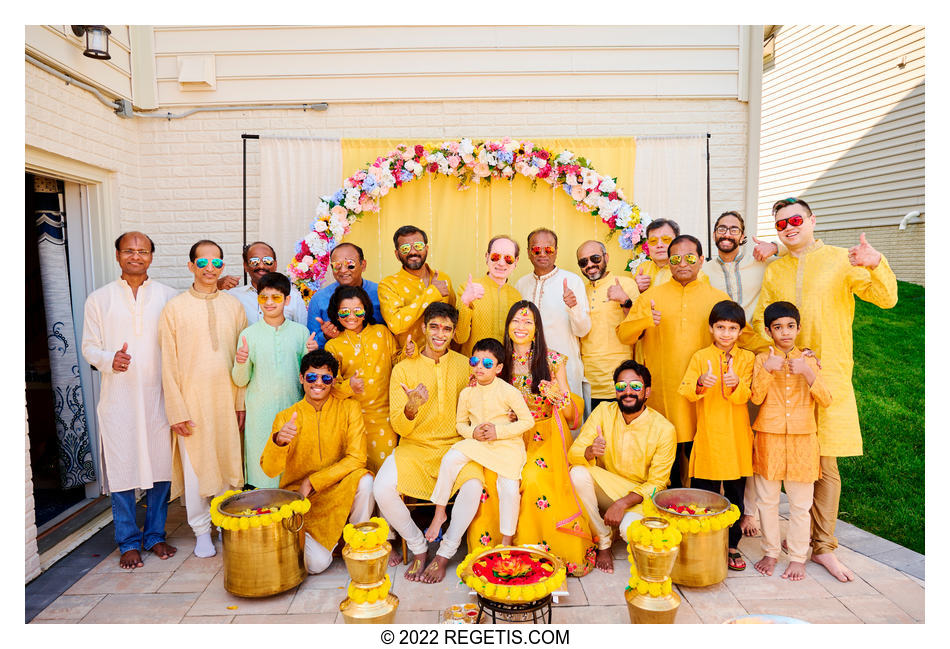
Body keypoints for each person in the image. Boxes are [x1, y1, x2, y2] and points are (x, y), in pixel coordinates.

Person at [752, 197, 897, 582]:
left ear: (813, 220)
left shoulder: (839, 259)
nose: (789, 227)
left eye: (796, 219)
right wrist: (767, 360)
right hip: (785, 383)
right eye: (781, 224)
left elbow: (886, 299)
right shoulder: (776, 268)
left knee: (826, 464)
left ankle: (824, 547)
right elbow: (758, 322)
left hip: (826, 376)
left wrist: (876, 263)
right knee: (785, 464)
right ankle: (789, 542)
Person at [466, 302, 597, 577]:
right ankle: (496, 551)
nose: (521, 327)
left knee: (533, 479)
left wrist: (558, 397)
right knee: (490, 479)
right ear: (508, 326)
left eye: (527, 322)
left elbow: (572, 412)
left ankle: (533, 552)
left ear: (536, 329)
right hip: (507, 436)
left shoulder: (552, 360)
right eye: (516, 321)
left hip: (544, 434)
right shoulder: (496, 361)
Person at [617, 235, 760, 488]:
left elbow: (745, 335)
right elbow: (624, 335)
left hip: (706, 393)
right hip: (665, 393)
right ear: (668, 262)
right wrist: (645, 320)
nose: (682, 263)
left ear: (702, 260)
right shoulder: (652, 297)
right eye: (675, 259)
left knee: (699, 455)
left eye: (690, 258)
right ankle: (669, 507)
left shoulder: (717, 297)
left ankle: (701, 511)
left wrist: (779, 350)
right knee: (667, 455)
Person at [81, 231, 178, 569]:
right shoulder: (99, 299)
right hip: (119, 398)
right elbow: (89, 347)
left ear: (152, 255)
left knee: (161, 467)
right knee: (122, 470)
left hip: (158, 397)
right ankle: (127, 541)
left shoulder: (168, 296)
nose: (136, 256)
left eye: (143, 251)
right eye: (129, 251)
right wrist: (110, 359)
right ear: (117, 255)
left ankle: (154, 536)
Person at [374, 303, 483, 584]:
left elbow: (477, 407)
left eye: (447, 328)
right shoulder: (404, 369)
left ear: (454, 333)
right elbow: (399, 425)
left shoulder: (464, 365)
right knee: (382, 487)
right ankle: (418, 547)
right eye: (434, 326)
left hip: (456, 448)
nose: (440, 333)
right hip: (416, 448)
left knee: (473, 487)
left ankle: (445, 552)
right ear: (423, 328)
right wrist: (411, 407)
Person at [160, 239, 247, 558]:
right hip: (191, 401)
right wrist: (176, 410)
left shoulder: (233, 306)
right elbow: (167, 363)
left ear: (223, 267)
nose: (210, 269)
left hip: (226, 400)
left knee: (227, 461)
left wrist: (240, 402)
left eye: (217, 263)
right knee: (197, 466)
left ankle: (226, 524)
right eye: (203, 263)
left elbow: (242, 360)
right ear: (191, 266)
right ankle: (200, 531)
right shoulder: (175, 308)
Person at [704, 210, 783, 538]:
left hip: (756, 354)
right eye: (721, 228)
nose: (726, 233)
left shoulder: (760, 261)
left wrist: (776, 246)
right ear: (714, 234)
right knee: (724, 430)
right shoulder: (704, 270)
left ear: (743, 234)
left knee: (753, 431)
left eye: (733, 229)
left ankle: (748, 512)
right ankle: (718, 501)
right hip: (719, 356)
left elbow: (798, 250)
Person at [261, 349, 374, 574]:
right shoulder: (286, 417)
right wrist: (279, 442)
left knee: (366, 482)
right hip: (303, 501)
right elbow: (270, 470)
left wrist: (314, 480)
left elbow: (357, 458)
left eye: (326, 378)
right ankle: (329, 544)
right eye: (312, 377)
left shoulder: (349, 408)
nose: (318, 384)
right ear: (302, 378)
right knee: (316, 565)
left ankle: (355, 543)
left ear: (333, 381)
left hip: (338, 489)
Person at [568, 360, 676, 573]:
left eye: (635, 387)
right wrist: (590, 451)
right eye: (621, 387)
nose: (628, 392)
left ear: (647, 392)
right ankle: (604, 540)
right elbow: (573, 454)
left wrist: (622, 503)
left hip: (640, 497)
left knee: (632, 533)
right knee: (578, 473)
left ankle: (619, 527)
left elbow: (657, 484)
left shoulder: (664, 429)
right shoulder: (603, 412)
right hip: (608, 486)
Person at [751, 301, 832, 581]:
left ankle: (798, 557)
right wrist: (768, 370)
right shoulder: (762, 360)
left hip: (802, 440)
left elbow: (826, 399)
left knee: (800, 504)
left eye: (790, 326)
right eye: (777, 327)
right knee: (767, 501)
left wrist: (808, 372)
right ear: (768, 331)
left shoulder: (809, 360)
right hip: (769, 438)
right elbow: (756, 398)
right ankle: (771, 551)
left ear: (798, 328)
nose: (784, 332)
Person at [426, 338, 534, 546]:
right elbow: (460, 425)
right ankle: (440, 513)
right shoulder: (467, 393)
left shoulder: (509, 391)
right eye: (475, 361)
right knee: (450, 458)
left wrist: (499, 432)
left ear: (499, 368)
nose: (479, 367)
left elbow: (527, 421)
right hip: (478, 444)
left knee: (509, 489)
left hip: (506, 447)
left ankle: (506, 540)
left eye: (487, 364)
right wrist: (473, 433)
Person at [678, 300, 755, 571]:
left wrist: (736, 384)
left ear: (740, 331)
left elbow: (749, 396)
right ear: (711, 328)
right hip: (709, 436)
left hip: (736, 439)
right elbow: (686, 389)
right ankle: (703, 542)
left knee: (735, 495)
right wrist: (700, 383)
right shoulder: (701, 357)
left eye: (732, 328)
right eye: (720, 327)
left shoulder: (747, 359)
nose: (725, 333)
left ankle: (732, 544)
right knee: (705, 493)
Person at [231, 272, 315, 489]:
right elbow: (240, 380)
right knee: (263, 471)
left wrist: (310, 354)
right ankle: (265, 520)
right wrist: (241, 361)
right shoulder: (248, 335)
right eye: (263, 297)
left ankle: (294, 518)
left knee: (292, 469)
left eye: (276, 297)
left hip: (293, 411)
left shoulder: (300, 333)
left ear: (287, 300)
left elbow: (307, 379)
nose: (269, 303)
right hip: (260, 416)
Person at [325, 284, 401, 473]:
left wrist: (410, 352)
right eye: (344, 312)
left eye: (357, 311)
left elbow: (397, 362)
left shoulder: (381, 333)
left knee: (388, 475)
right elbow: (331, 386)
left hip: (385, 417)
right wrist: (349, 386)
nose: (351, 317)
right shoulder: (333, 346)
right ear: (336, 314)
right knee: (358, 476)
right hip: (352, 420)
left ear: (366, 310)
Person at [515, 228, 591, 403]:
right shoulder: (521, 284)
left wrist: (574, 308)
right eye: (536, 250)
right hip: (528, 370)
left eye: (548, 249)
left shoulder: (572, 281)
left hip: (566, 367)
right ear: (528, 253)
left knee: (568, 419)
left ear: (556, 251)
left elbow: (583, 331)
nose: (542, 254)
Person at [575, 240, 640, 411]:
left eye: (595, 258)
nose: (590, 265)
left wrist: (625, 301)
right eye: (583, 262)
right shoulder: (581, 291)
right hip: (588, 382)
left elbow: (639, 330)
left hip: (619, 381)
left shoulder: (626, 284)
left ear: (606, 257)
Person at [378, 225, 455, 350]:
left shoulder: (443, 278)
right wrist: (432, 293)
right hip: (410, 361)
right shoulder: (388, 285)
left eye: (418, 246)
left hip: (444, 359)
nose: (413, 252)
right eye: (405, 248)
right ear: (397, 254)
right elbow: (396, 325)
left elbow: (453, 320)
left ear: (426, 249)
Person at [454, 235, 523, 357]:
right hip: (474, 368)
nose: (501, 263)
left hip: (504, 371)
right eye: (495, 257)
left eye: (508, 258)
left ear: (516, 261)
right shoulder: (467, 288)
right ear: (487, 257)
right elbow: (459, 338)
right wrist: (465, 302)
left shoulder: (516, 296)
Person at [307, 242, 384, 347]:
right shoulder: (319, 299)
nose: (343, 270)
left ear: (363, 265)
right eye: (337, 265)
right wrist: (325, 336)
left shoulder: (380, 293)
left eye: (350, 264)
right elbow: (311, 344)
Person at [225, 241, 308, 325]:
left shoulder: (292, 296)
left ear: (275, 265)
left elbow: (304, 332)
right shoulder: (234, 297)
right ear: (246, 266)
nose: (261, 266)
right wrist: (217, 284)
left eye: (267, 261)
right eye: (254, 261)